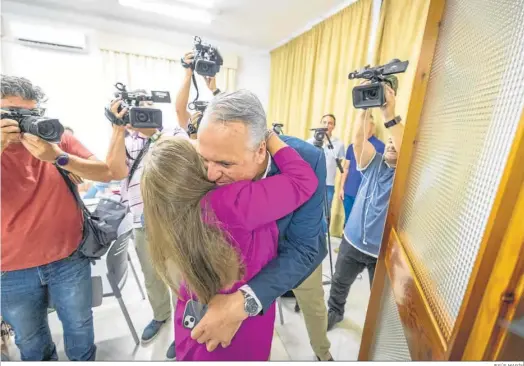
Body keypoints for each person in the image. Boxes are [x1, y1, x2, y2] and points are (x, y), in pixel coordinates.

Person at [141, 128, 318, 360]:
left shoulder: (170, 216)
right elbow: (303, 180)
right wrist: (269, 136)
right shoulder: (231, 203)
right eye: (204, 157)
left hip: (193, 324)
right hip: (235, 332)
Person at [189, 90, 333, 361]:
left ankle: (323, 352)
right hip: (236, 261)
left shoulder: (308, 160)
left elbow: (304, 248)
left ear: (260, 150)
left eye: (225, 163)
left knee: (313, 306)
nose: (210, 174)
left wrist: (244, 301)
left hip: (293, 256)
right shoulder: (208, 156)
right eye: (205, 159)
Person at [1, 75, 115, 361]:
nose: (20, 123)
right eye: (10, 115)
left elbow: (105, 172)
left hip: (68, 257)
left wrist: (58, 156)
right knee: (30, 341)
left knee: (79, 327)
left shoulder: (55, 136)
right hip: (10, 269)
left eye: (29, 114)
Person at [105, 92, 188, 360]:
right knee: (152, 275)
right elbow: (114, 170)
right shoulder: (126, 140)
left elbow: (185, 160)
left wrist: (152, 134)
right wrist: (117, 128)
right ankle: (161, 315)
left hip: (174, 219)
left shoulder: (174, 132)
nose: (144, 115)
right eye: (137, 111)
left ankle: (181, 327)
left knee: (178, 278)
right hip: (142, 219)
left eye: (149, 109)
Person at [327, 83, 404, 331]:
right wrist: (364, 108)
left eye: (396, 144)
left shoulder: (406, 175)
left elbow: (405, 147)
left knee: (379, 298)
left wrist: (390, 115)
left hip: (379, 252)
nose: (391, 146)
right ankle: (335, 312)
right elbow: (359, 141)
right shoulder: (374, 163)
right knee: (339, 282)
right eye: (389, 143)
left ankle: (376, 332)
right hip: (351, 241)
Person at [338, 112, 385, 225]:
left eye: (366, 122)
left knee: (360, 224)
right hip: (349, 191)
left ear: (372, 126)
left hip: (366, 194)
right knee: (348, 221)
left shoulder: (381, 147)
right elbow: (346, 168)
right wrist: (341, 188)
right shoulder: (352, 146)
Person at [308, 114, 345, 233]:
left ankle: (322, 238)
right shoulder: (310, 142)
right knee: (308, 210)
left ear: (333, 126)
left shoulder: (339, 144)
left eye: (330, 123)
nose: (326, 125)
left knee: (325, 213)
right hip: (310, 184)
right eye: (324, 122)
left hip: (328, 185)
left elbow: (339, 163)